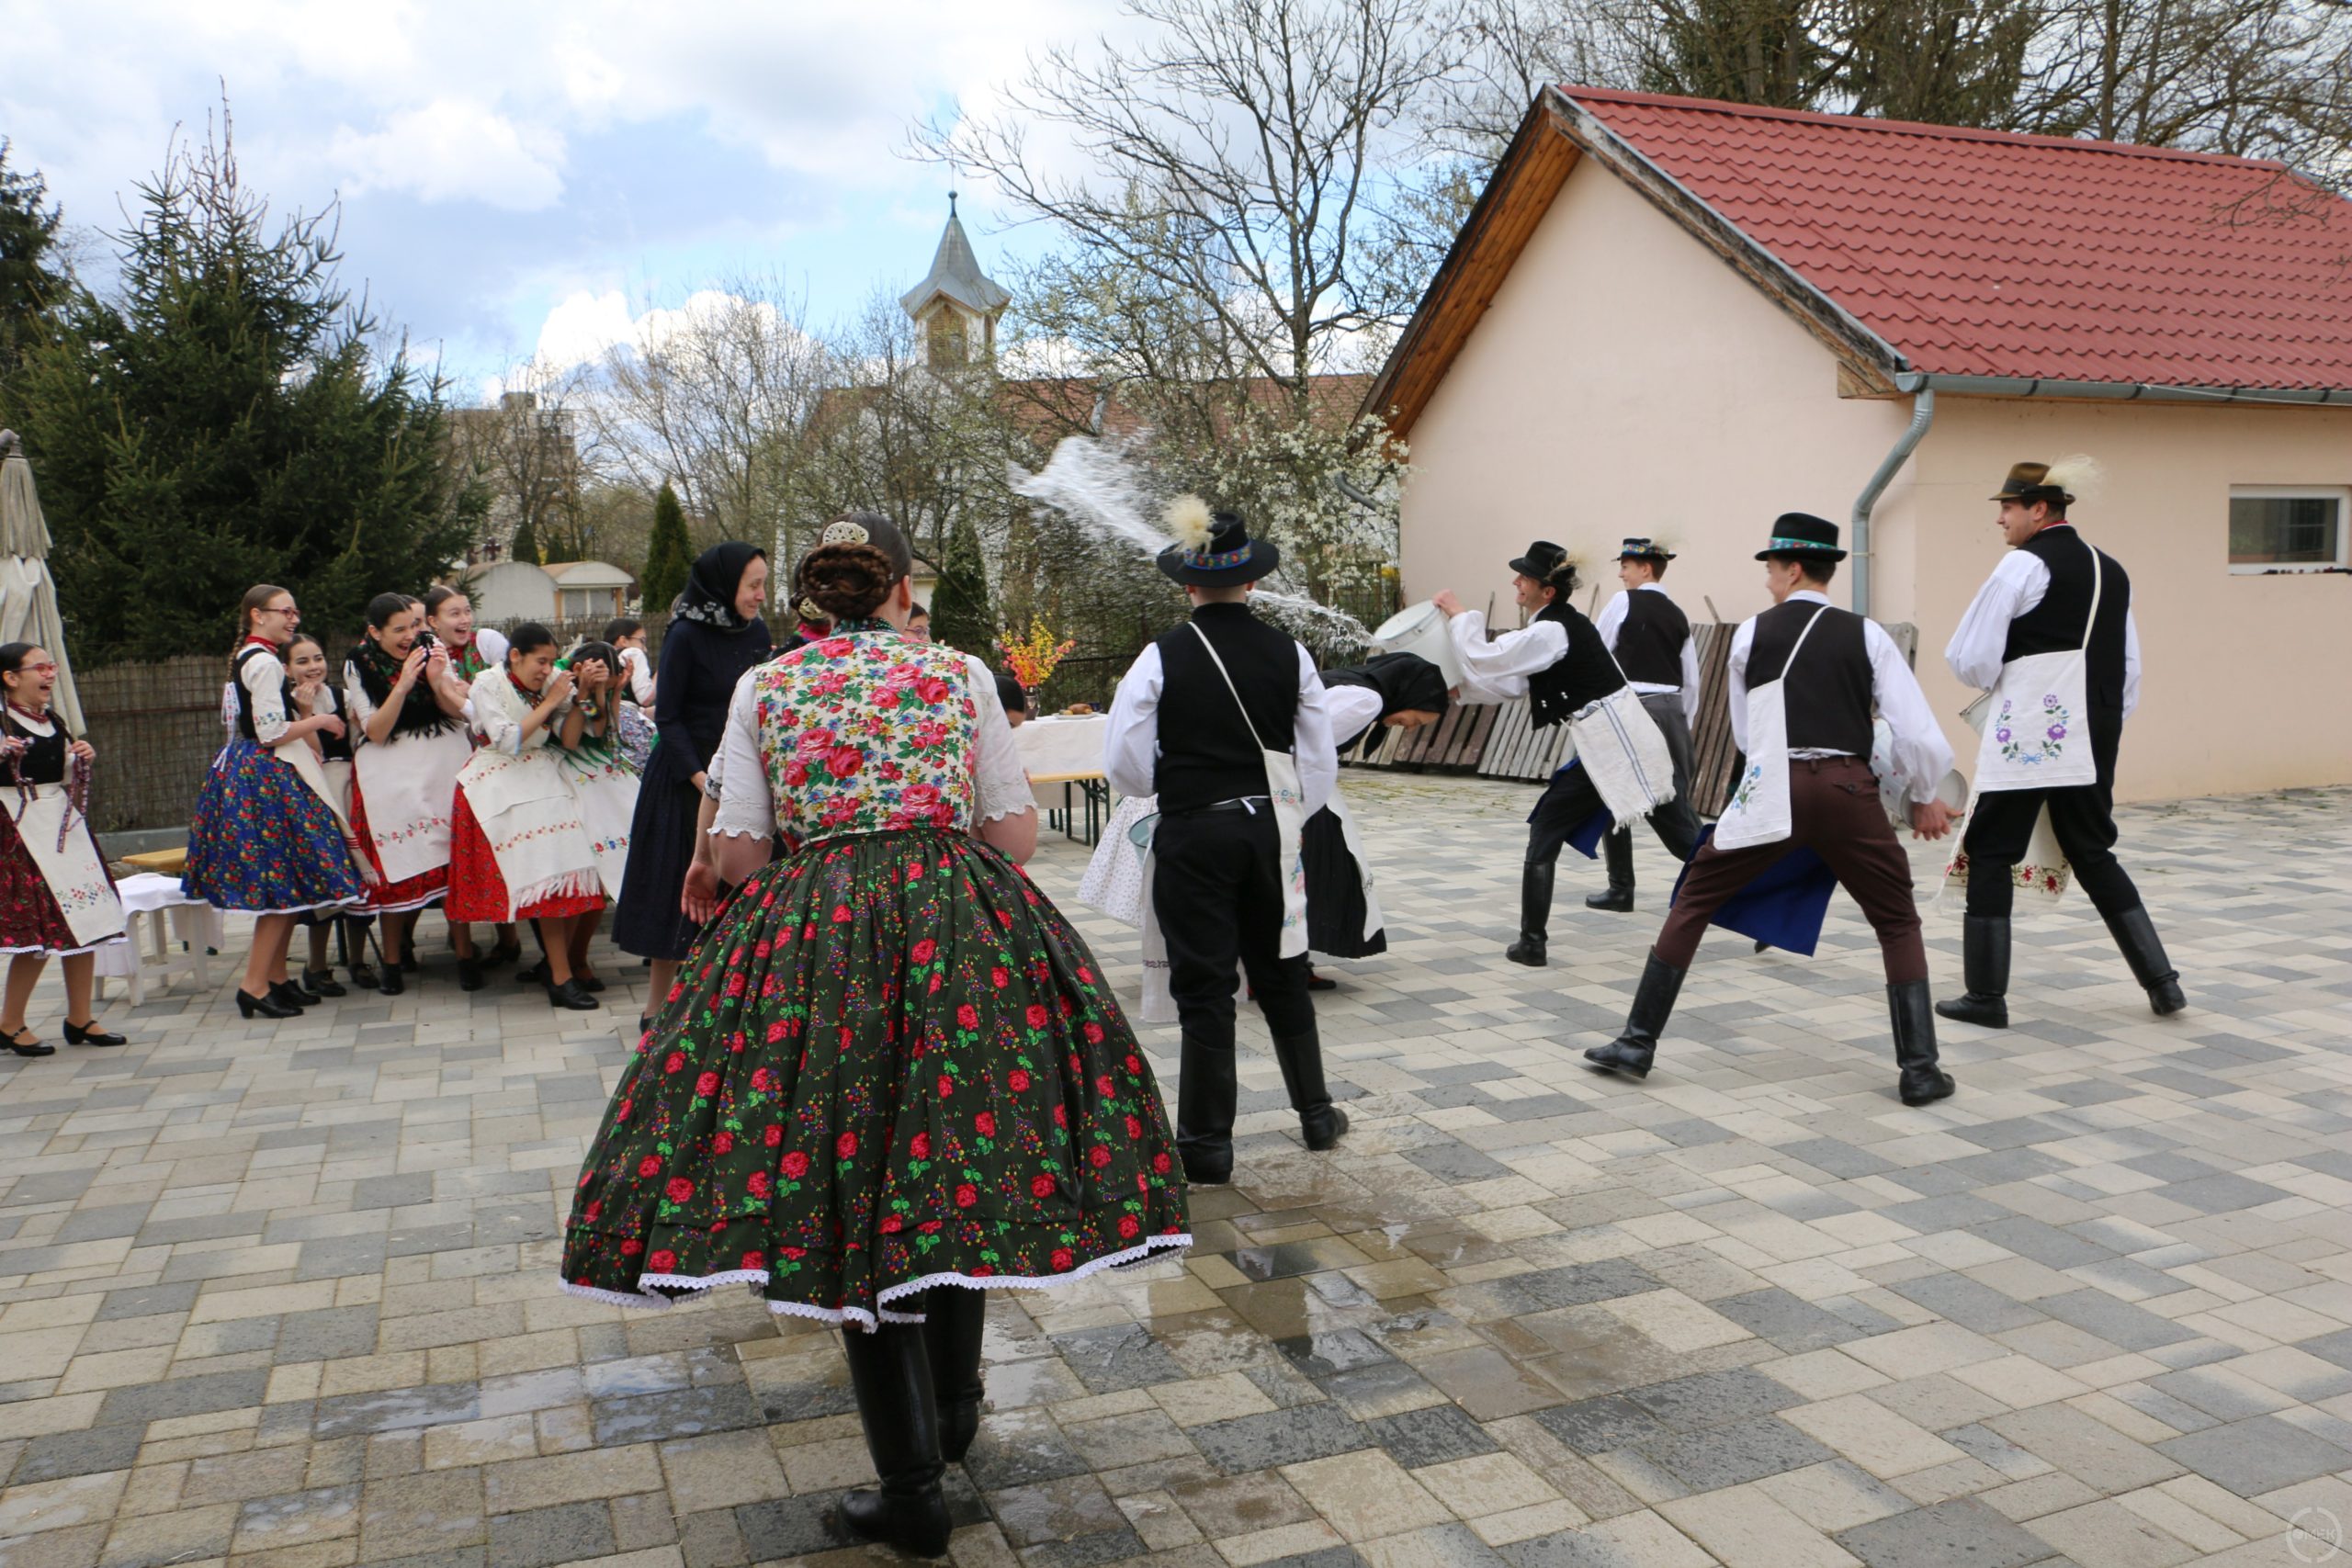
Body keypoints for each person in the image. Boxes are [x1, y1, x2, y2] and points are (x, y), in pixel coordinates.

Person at [561, 512, 1188, 1559]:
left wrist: (792, 855)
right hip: (960, 934)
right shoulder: (960, 675)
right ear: (898, 592)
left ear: (810, 606)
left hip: (818, 944)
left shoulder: (770, 686)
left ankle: (910, 1488)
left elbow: (745, 856)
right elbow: (1013, 835)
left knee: (848, 1182)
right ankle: (954, 1414)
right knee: (953, 1161)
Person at [1584, 514, 1959, 1106]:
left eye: (1770, 569)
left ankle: (1637, 1042)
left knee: (1695, 900)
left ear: (1792, 568)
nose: (1766, 581)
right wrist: (1922, 794)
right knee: (1895, 920)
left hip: (1771, 786)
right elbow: (1913, 731)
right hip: (1847, 789)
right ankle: (1919, 1069)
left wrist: (1768, 777)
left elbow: (1743, 730)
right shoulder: (1867, 635)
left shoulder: (1752, 633)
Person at [1104, 499, 1344, 1185]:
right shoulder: (1291, 652)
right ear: (1253, 582)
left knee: (1205, 987)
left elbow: (1124, 760)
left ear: (1188, 583)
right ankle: (1317, 1115)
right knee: (1282, 969)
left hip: (1192, 829)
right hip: (1269, 826)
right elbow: (1319, 761)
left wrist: (1174, 783)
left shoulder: (1160, 656)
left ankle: (1207, 1145)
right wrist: (1286, 815)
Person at [1939, 459, 2183, 1028]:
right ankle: (2162, 983)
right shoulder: (2114, 570)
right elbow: (2128, 669)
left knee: (1992, 848)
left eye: (2008, 507)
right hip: (2094, 727)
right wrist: (2097, 721)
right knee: (2092, 848)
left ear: (2039, 509)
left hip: (2031, 724)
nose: (2001, 519)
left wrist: (2009, 684)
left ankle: (1986, 998)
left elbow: (1969, 657)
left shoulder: (2022, 564)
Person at [1433, 541, 1699, 966]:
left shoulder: (1552, 629)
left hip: (1619, 746)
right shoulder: (1552, 627)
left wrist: (1459, 614)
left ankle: (1533, 944)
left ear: (1547, 591)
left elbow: (1486, 656)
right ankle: (1532, 942)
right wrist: (1458, 691)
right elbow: (1515, 684)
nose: (1516, 583)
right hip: (1613, 744)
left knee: (1679, 839)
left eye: (1525, 578)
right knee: (1674, 838)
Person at [183, 585, 366, 1019]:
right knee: (279, 885)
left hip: (260, 771)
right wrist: (321, 719)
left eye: (294, 611)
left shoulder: (252, 656)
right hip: (267, 775)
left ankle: (277, 978)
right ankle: (254, 985)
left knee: (290, 881)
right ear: (256, 615)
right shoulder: (263, 661)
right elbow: (269, 733)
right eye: (284, 612)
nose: (293, 619)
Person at [612, 545, 771, 1013]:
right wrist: (703, 780)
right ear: (724, 585)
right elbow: (669, 718)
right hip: (686, 777)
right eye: (753, 584)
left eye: (764, 583)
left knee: (740, 893)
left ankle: (727, 1005)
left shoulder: (757, 632)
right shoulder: (685, 634)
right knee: (675, 895)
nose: (762, 595)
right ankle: (656, 1011)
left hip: (743, 774)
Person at [447, 624, 607, 1010]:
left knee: (568, 869)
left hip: (542, 774)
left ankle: (561, 967)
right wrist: (552, 701)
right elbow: (507, 740)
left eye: (552, 661)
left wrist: (588, 692)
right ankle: (557, 975)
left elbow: (574, 737)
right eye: (540, 660)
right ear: (515, 656)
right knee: (544, 871)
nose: (547, 668)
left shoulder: (552, 680)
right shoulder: (487, 682)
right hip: (499, 774)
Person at [0, 643, 127, 1055]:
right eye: (40, 668)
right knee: (40, 929)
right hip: (20, 829)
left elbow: (58, 773)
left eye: (51, 666)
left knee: (84, 921)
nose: (50, 674)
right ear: (11, 677)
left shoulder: (50, 719)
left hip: (63, 825)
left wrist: (79, 759)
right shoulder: (2, 722)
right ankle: (10, 1023)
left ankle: (80, 1017)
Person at [345, 594, 475, 990]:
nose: (409, 636)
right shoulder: (359, 664)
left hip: (441, 764)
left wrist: (438, 681)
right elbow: (377, 730)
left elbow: (457, 712)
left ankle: (466, 955)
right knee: (396, 864)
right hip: (391, 770)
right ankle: (392, 962)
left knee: (456, 861)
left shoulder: (432, 649)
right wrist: (402, 684)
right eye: (398, 630)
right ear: (374, 632)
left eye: (413, 627)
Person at [1306, 652, 1450, 971]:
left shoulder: (1359, 690)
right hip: (1293, 789)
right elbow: (1300, 743)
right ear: (1408, 696)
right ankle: (1285, 963)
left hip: (1301, 786)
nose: (1408, 728)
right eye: (1415, 720)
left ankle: (1297, 960)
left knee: (1324, 870)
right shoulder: (1365, 700)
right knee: (1325, 868)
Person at [1588, 538, 1705, 912]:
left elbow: (1598, 656)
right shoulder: (1677, 613)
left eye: (1625, 565)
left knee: (1634, 799)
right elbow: (1691, 681)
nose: (1621, 573)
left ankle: (1624, 887)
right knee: (1663, 796)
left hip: (1630, 710)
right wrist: (1677, 720)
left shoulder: (1623, 602)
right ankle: (1622, 887)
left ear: (1646, 568)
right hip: (1670, 709)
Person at [424, 584, 521, 970]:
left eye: (466, 611)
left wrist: (461, 695)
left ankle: (509, 936)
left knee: (504, 845)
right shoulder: (433, 654)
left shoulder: (488, 641)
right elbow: (457, 708)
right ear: (433, 621)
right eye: (453, 613)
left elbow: (512, 690)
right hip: (457, 759)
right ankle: (470, 938)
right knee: (465, 850)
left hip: (501, 753)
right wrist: (450, 691)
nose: (464, 619)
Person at [284, 633, 376, 999]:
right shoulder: (286, 704)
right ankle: (316, 965)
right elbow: (314, 754)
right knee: (325, 882)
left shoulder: (342, 697)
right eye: (302, 661)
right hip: (318, 792)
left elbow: (360, 739)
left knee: (361, 880)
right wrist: (309, 716)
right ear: (288, 669)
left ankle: (357, 959)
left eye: (318, 658)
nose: (313, 667)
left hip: (352, 789)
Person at [604, 615, 658, 773]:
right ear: (623, 640)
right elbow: (645, 697)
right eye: (642, 640)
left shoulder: (608, 659)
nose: (645, 648)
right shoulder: (633, 653)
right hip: (628, 723)